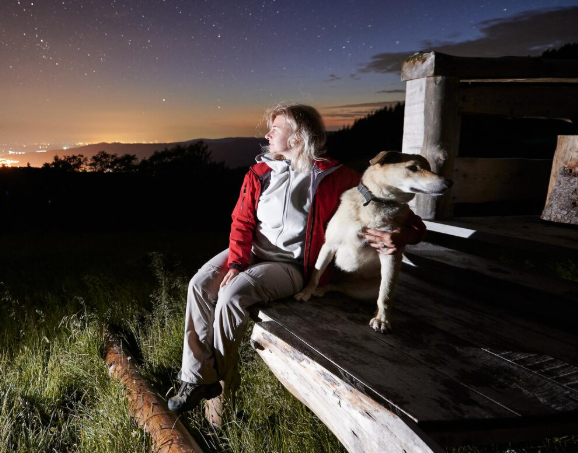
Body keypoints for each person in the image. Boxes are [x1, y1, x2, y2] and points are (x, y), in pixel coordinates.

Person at [167, 102, 426, 414]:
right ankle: (196, 377)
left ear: (298, 137)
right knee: (199, 284)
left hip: (293, 266)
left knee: (232, 295)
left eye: (275, 129)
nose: (267, 134)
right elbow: (242, 222)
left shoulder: (340, 177)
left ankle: (217, 379)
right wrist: (236, 263)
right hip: (251, 252)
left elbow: (412, 222)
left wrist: (402, 236)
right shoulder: (260, 173)